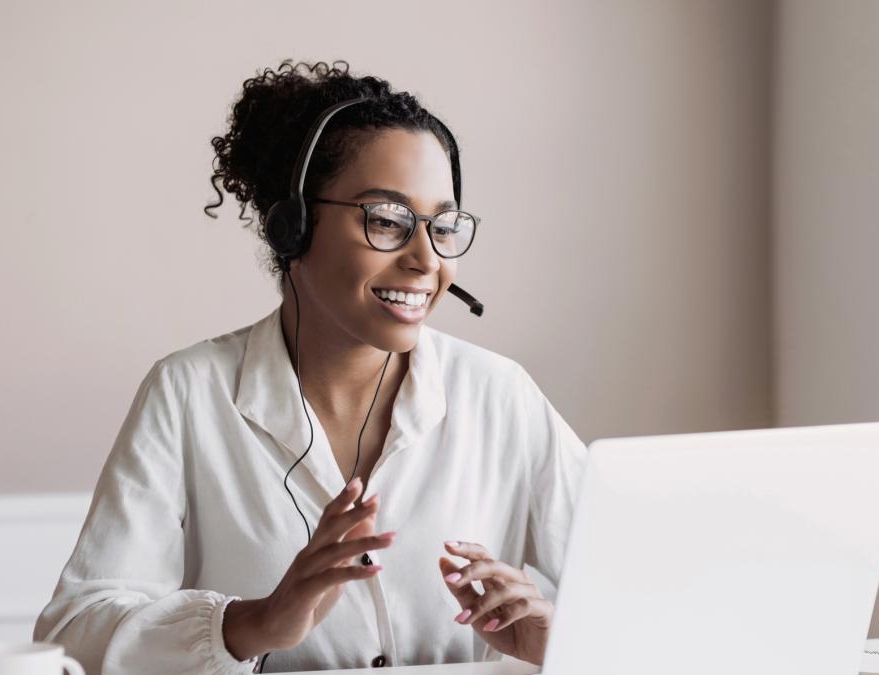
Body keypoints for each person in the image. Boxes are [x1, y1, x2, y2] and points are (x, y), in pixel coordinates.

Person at [33, 60, 587, 674]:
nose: (427, 261)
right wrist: (255, 621)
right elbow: (73, 632)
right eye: (387, 221)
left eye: (443, 226)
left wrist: (557, 641)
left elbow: (657, 596)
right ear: (292, 229)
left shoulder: (500, 395)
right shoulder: (189, 392)